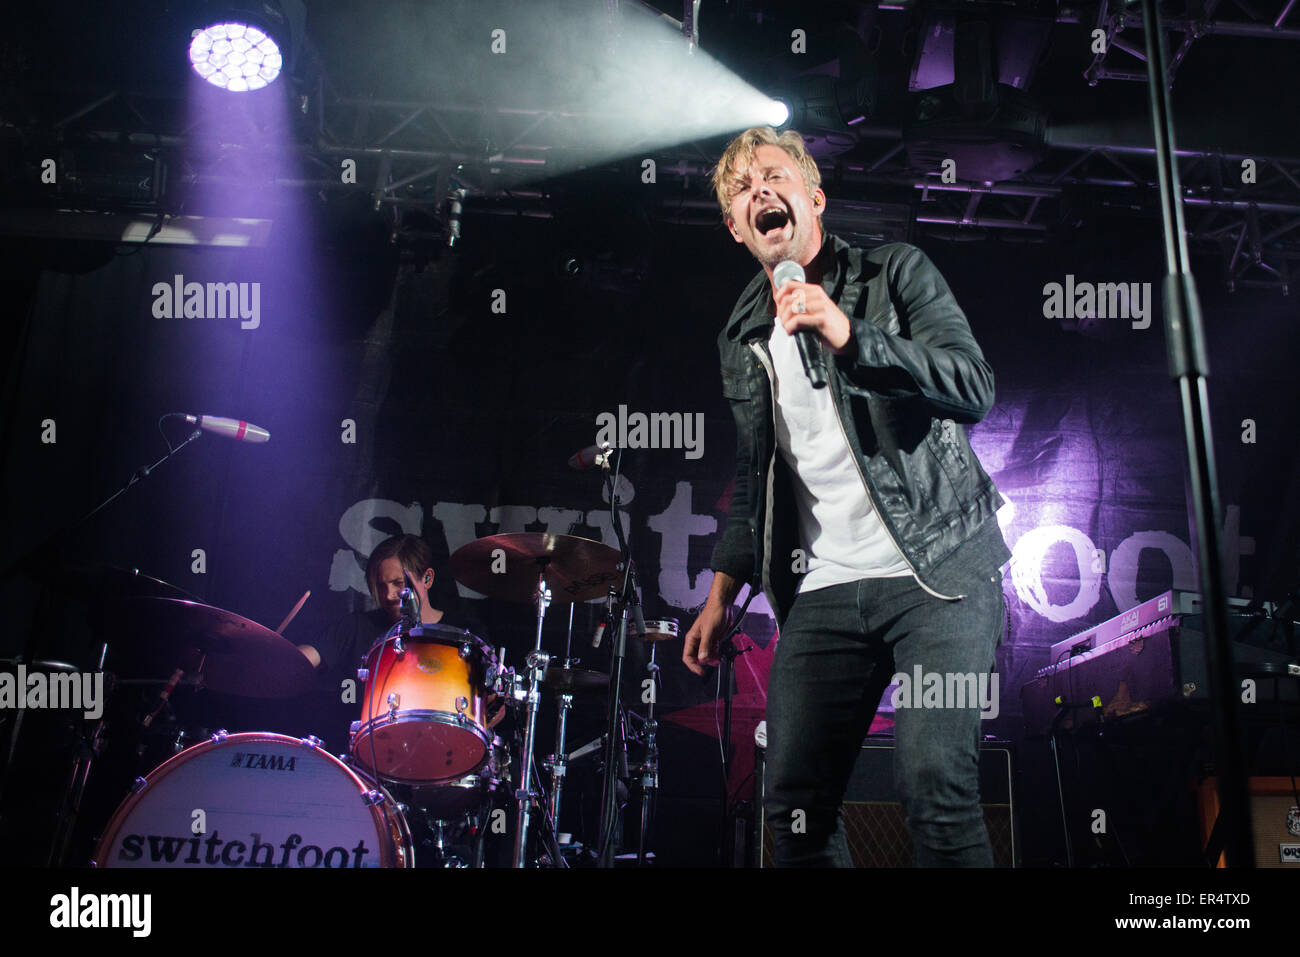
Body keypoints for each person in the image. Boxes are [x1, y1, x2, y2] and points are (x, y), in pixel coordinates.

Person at [682, 126, 1011, 867]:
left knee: (935, 784)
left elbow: (973, 385)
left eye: (774, 176)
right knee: (793, 803)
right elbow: (757, 470)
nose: (759, 190)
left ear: (814, 197)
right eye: (742, 190)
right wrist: (720, 592)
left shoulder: (895, 271)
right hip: (825, 587)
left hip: (941, 571)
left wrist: (848, 331)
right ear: (737, 229)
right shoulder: (742, 333)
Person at [298, 534, 504, 741]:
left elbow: (493, 704)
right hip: (374, 754)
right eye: (381, 585)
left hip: (447, 749)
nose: (388, 595)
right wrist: (274, 653)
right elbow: (302, 659)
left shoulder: (463, 630)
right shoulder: (357, 625)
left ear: (427, 578)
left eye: (398, 583)